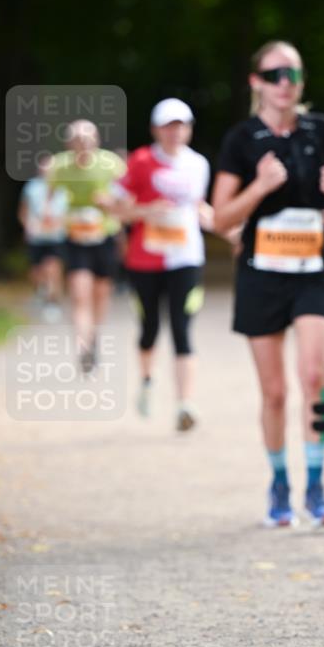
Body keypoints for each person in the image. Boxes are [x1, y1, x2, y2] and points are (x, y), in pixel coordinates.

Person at [212, 39, 324, 527]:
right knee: (273, 392)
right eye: (275, 74)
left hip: (314, 272)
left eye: (293, 74)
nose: (286, 84)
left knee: (314, 377)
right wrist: (260, 186)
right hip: (261, 276)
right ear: (256, 83)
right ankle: (278, 483)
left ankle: (315, 486)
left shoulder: (322, 131)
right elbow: (220, 217)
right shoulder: (241, 140)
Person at [118, 98, 211, 432]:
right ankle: (145, 381)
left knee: (183, 329)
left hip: (186, 258)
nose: (175, 132)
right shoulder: (140, 161)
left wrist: (229, 227)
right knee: (150, 329)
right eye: (168, 126)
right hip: (145, 260)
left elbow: (200, 207)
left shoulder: (199, 164)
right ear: (156, 129)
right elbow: (116, 209)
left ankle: (185, 404)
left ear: (188, 129)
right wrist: (145, 212)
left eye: (181, 125)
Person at [47, 120, 127, 371]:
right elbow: (50, 198)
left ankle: (94, 338)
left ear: (96, 140)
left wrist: (109, 202)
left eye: (87, 138)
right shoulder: (59, 166)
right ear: (69, 143)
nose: (83, 143)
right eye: (77, 139)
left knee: (100, 294)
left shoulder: (111, 164)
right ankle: (83, 347)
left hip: (104, 236)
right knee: (80, 295)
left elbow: (127, 197)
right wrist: (52, 215)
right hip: (75, 238)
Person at [18, 156, 68, 322]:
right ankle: (41, 291)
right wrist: (27, 226)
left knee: (53, 268)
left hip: (56, 235)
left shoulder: (64, 186)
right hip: (37, 235)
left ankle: (52, 302)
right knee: (37, 271)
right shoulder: (32, 187)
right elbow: (23, 210)